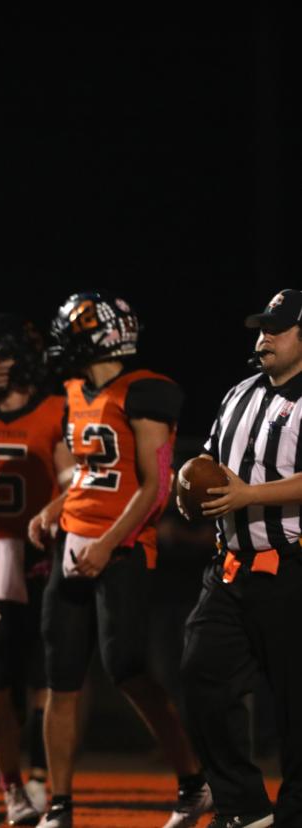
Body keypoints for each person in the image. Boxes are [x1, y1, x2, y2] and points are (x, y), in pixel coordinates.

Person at [30, 291, 211, 828]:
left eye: (74, 328)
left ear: (104, 334)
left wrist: (108, 544)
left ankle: (192, 783)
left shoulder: (146, 391)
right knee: (59, 676)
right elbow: (92, 475)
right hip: (73, 542)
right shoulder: (76, 391)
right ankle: (59, 807)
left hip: (124, 548)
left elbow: (157, 488)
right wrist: (53, 507)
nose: (63, 339)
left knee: (127, 668)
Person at [179, 288, 302, 828]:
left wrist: (251, 496)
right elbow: (212, 457)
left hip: (293, 567)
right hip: (231, 567)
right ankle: (245, 809)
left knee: (296, 709)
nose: (265, 335)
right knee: (201, 674)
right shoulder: (239, 394)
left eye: (278, 327)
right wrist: (192, 482)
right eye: (262, 326)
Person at [0, 314, 72, 824]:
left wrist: (55, 511)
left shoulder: (55, 411)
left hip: (36, 554)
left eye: (0, 356)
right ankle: (12, 789)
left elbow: (74, 481)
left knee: (22, 680)